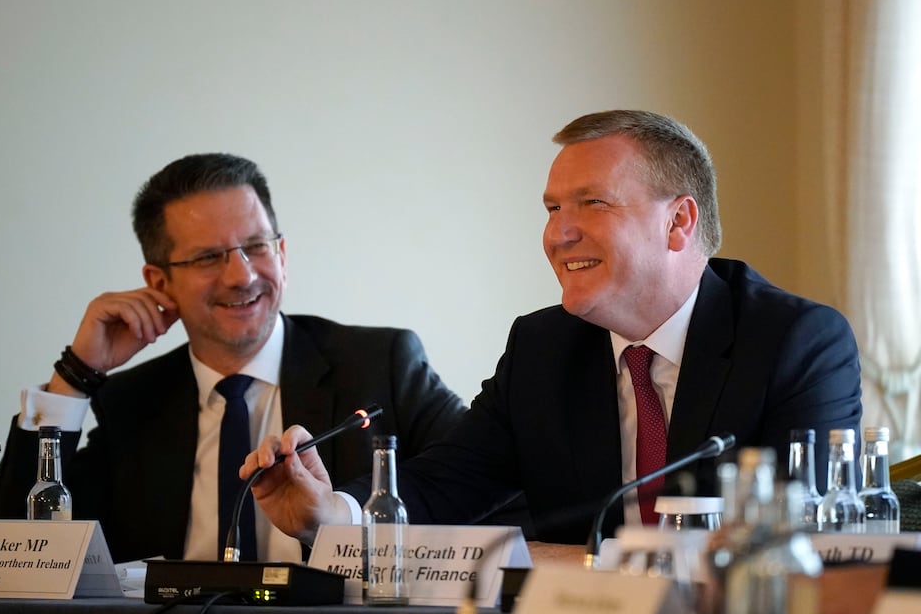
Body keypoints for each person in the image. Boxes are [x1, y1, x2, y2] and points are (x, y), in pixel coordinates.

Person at [240, 110, 863, 550]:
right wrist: (334, 513)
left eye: (592, 203)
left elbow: (799, 536)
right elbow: (451, 480)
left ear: (678, 223)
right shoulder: (543, 346)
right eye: (552, 208)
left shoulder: (796, 342)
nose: (558, 233)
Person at [0, 152, 476, 564]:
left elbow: (488, 489)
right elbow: (14, 555)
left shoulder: (379, 363)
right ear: (159, 282)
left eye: (256, 246)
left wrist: (338, 517)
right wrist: (76, 376)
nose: (241, 276)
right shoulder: (134, 403)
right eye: (208, 258)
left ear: (281, 253)